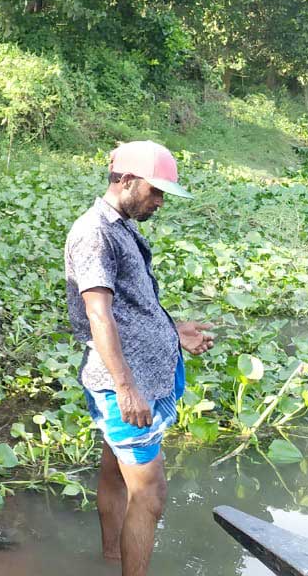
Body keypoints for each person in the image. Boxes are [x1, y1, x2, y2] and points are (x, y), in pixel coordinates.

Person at [63, 141, 214, 576]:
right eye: (156, 191)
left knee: (114, 471)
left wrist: (172, 332)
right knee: (150, 495)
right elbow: (98, 314)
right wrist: (126, 388)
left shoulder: (121, 225)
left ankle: (111, 556)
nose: (160, 202)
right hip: (124, 385)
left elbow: (129, 305)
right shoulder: (95, 233)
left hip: (139, 376)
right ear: (127, 181)